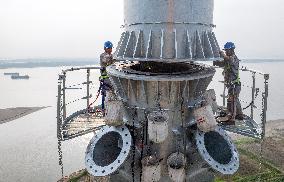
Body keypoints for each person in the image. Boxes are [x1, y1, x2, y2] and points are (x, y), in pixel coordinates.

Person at [214, 42, 243, 123]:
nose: (226, 52)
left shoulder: (233, 58)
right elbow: (221, 63)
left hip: (234, 84)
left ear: (232, 50)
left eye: (227, 50)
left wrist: (222, 54)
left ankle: (231, 119)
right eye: (225, 50)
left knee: (232, 101)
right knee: (235, 99)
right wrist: (216, 58)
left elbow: (229, 60)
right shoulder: (228, 59)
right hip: (232, 84)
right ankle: (239, 115)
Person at [99, 41, 115, 116]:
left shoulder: (111, 56)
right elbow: (107, 60)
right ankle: (103, 110)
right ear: (105, 48)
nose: (110, 49)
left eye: (111, 48)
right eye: (108, 48)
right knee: (105, 95)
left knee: (112, 95)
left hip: (111, 79)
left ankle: (110, 110)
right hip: (105, 79)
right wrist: (115, 57)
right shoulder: (103, 56)